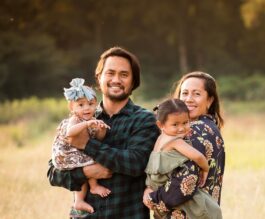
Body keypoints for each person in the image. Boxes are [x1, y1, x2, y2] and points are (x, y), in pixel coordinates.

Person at [47, 47, 160, 219]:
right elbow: (53, 173)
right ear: (99, 78)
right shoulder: (80, 119)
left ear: (133, 81)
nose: (116, 79)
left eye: (124, 74)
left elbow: (136, 163)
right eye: (110, 73)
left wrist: (86, 144)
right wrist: (86, 173)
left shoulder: (144, 120)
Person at [144, 71, 225, 217]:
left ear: (210, 100)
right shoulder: (211, 128)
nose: (189, 99)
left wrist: (152, 198)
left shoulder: (193, 131)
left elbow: (185, 182)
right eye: (185, 93)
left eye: (196, 94)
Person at [52, 78, 111, 218]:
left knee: (88, 160)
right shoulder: (75, 120)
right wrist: (87, 124)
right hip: (66, 154)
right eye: (81, 105)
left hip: (75, 152)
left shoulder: (91, 120)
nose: (86, 108)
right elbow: (70, 132)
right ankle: (94, 187)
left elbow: (99, 138)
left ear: (95, 104)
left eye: (90, 104)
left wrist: (101, 129)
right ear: (72, 107)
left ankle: (79, 200)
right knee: (91, 161)